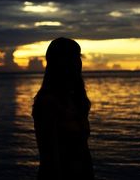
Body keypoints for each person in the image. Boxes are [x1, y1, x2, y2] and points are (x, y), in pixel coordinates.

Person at [32, 37, 94, 180]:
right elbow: (50, 157)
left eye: (78, 57)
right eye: (71, 58)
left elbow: (84, 151)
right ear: (59, 63)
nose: (77, 62)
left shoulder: (75, 99)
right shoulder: (47, 102)